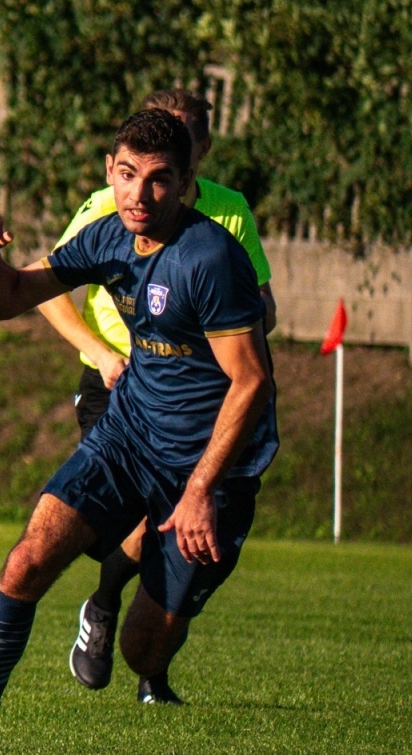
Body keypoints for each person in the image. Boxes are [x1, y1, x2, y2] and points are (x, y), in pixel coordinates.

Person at [0, 110, 277, 751]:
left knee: (144, 652)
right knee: (29, 558)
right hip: (129, 436)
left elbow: (251, 382)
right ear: (109, 172)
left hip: (208, 465)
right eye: (127, 175)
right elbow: (5, 300)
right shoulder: (108, 235)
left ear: (186, 182)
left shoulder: (210, 258)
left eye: (159, 179)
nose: (140, 194)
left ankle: (136, 599)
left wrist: (201, 489)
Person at [38, 89, 277, 701]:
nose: (145, 182)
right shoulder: (107, 206)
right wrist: (98, 351)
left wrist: (225, 325)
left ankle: (150, 667)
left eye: (183, 135)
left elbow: (261, 306)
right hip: (116, 384)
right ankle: (104, 604)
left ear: (199, 151)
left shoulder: (226, 212)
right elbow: (45, 284)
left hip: (195, 396)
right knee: (151, 514)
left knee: (176, 534)